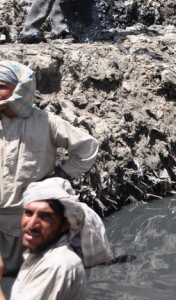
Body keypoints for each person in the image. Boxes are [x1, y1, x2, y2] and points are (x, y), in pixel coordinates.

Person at [0, 61, 98, 277]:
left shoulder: (46, 122)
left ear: (17, 89)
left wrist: (61, 175)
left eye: (0, 86)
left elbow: (87, 147)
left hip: (31, 223)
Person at [0, 178, 112, 300]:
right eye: (29, 213)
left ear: (64, 225)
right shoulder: (40, 253)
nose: (32, 224)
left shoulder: (57, 266)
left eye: (45, 216)